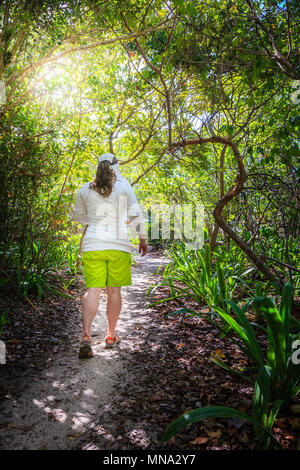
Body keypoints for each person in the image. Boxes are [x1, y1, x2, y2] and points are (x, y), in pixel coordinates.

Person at [71, 153, 148, 358]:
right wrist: (142, 238)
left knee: (93, 290)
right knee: (114, 291)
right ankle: (111, 335)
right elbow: (135, 214)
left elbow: (78, 216)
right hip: (118, 245)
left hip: (93, 245)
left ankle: (86, 336)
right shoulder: (124, 187)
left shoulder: (86, 188)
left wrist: (95, 220)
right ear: (116, 166)